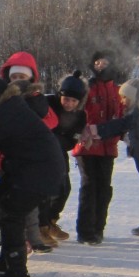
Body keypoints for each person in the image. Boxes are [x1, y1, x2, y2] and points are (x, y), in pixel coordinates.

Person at [0, 79, 66, 277]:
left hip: (38, 171)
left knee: (11, 212)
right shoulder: (12, 107)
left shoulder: (4, 113)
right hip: (29, 168)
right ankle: (7, 260)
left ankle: (17, 271)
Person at [74, 50, 123, 244]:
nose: (100, 66)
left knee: (104, 188)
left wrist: (118, 136)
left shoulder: (117, 90)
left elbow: (122, 118)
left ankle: (98, 228)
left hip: (108, 147)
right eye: (97, 63)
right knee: (89, 186)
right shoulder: (87, 87)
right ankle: (85, 231)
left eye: (104, 63)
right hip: (87, 146)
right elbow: (75, 111)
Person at [87, 78, 139, 235]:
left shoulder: (137, 114)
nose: (122, 101)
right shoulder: (135, 112)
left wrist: (94, 130)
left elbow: (119, 125)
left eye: (125, 97)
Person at [41, 74, 87, 243]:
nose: (69, 104)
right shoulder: (47, 104)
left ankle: (51, 221)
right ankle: (41, 226)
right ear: (60, 95)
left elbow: (72, 141)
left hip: (59, 154)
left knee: (64, 189)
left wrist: (56, 140)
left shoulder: (80, 116)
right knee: (46, 192)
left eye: (74, 101)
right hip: (42, 155)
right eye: (66, 99)